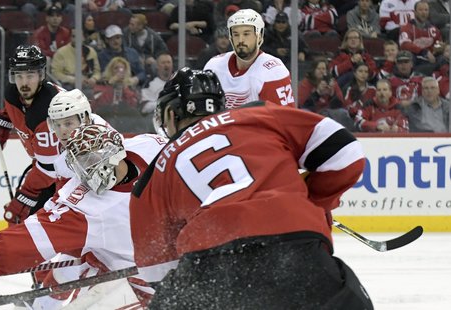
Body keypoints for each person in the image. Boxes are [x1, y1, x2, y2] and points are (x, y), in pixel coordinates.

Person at [129, 67, 372, 309]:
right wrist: (312, 199)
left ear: (170, 115)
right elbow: (346, 154)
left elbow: (157, 272)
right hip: (296, 248)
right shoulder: (257, 114)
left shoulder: (152, 176)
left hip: (210, 267)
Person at [0, 119, 167, 309]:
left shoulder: (150, 146)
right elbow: (32, 237)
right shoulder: (83, 206)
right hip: (142, 280)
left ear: (115, 151)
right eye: (81, 164)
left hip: (184, 259)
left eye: (92, 159)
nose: (88, 171)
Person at [0, 45, 64, 225]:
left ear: (41, 75)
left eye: (30, 75)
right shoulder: (14, 94)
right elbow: (20, 110)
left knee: (51, 224)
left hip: (75, 176)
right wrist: (3, 118)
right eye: (19, 76)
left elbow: (48, 169)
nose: (24, 82)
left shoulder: (49, 109)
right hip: (52, 170)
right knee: (24, 223)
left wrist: (25, 196)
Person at [204, 9, 294, 109]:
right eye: (236, 34)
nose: (241, 40)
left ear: (259, 37)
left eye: (246, 34)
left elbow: (283, 119)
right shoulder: (214, 66)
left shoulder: (274, 71)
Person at [398, 0, 443, 75]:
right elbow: (404, 44)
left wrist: (439, 48)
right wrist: (424, 52)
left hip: (431, 59)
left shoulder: (434, 30)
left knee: (443, 58)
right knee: (408, 58)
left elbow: (438, 43)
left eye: (426, 10)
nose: (424, 12)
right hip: (416, 58)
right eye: (420, 10)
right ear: (415, 12)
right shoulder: (406, 28)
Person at [50, 28, 101, 93]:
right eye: (74, 36)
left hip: (87, 84)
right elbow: (56, 73)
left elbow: (97, 71)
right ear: (70, 38)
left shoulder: (91, 51)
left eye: (79, 36)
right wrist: (74, 80)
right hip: (67, 85)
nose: (76, 39)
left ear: (84, 37)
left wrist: (94, 79)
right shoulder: (61, 52)